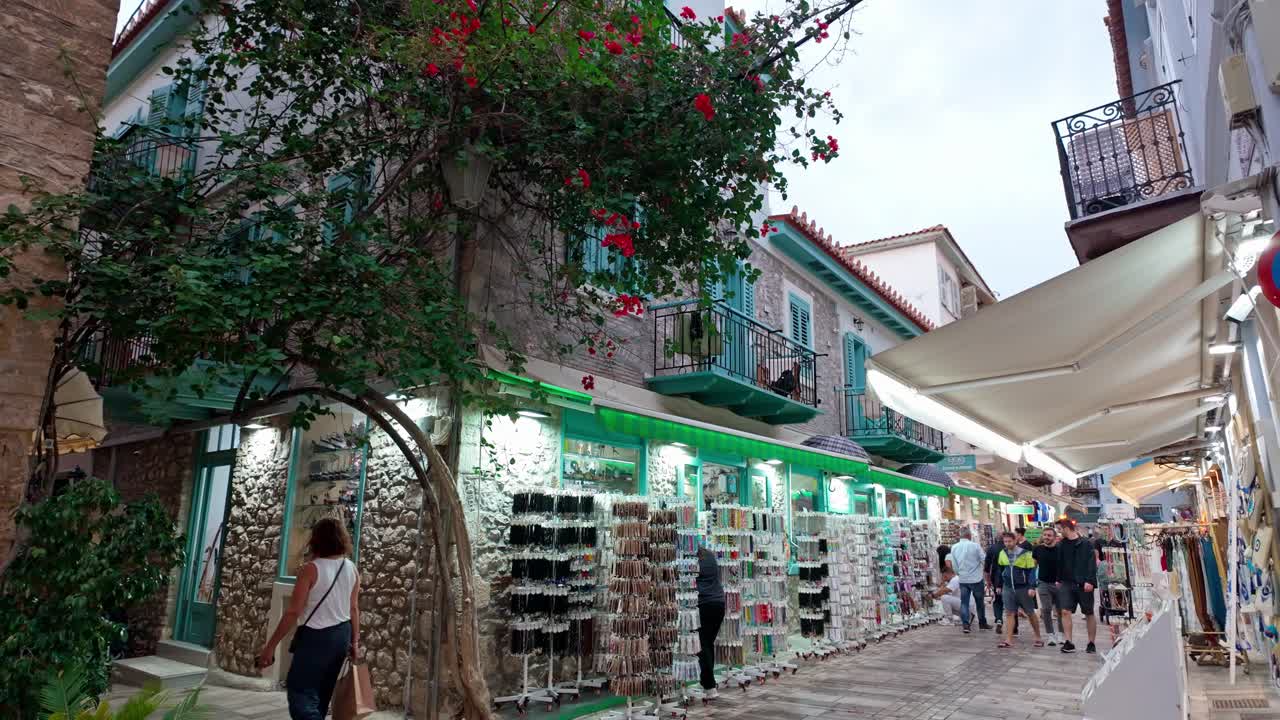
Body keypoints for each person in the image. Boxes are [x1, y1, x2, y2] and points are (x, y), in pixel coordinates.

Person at [257, 518, 361, 720]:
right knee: (322, 694)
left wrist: (270, 646)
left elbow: (293, 612)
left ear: (316, 539)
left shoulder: (310, 569)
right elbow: (354, 608)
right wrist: (355, 642)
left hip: (316, 638)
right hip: (342, 636)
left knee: (301, 694)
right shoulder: (351, 568)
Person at [1056, 518, 1099, 654]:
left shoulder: (1086, 543)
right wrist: (1058, 579)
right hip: (1066, 583)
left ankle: (1091, 642)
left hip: (1083, 583)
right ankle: (1069, 642)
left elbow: (1091, 563)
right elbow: (1059, 563)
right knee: (1065, 611)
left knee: (1088, 612)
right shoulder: (1061, 544)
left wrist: (1090, 581)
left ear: (1066, 528)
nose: (1058, 532)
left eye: (1059, 529)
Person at [996, 531, 1043, 649]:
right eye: (1005, 542)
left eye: (1009, 541)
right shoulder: (1002, 553)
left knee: (1030, 613)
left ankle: (1038, 637)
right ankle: (1008, 640)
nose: (1007, 544)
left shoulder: (1026, 554)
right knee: (1009, 613)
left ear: (1015, 540)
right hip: (1008, 588)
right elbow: (1000, 570)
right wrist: (998, 585)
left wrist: (1032, 587)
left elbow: (1031, 571)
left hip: (1023, 588)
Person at [944, 528, 988, 632]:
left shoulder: (954, 547)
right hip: (976, 578)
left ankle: (966, 625)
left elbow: (954, 564)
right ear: (969, 535)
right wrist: (984, 571)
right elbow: (984, 559)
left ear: (960, 536)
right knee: (979, 602)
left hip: (963, 579)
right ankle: (982, 623)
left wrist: (959, 573)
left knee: (964, 602)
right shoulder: (975, 546)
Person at [696, 545, 725, 699]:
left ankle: (709, 686)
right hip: (719, 603)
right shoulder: (710, 556)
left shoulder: (694, 560)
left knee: (703, 645)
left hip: (704, 604)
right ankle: (707, 682)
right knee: (708, 644)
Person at [1033, 526, 1063, 646]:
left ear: (1054, 537)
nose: (1046, 537)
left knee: (1061, 610)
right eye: (1045, 535)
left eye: (1049, 535)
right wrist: (1032, 582)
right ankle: (1050, 635)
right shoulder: (1037, 549)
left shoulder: (1060, 549)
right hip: (1043, 583)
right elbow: (1034, 566)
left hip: (1059, 583)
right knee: (1046, 609)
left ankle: (1061, 633)